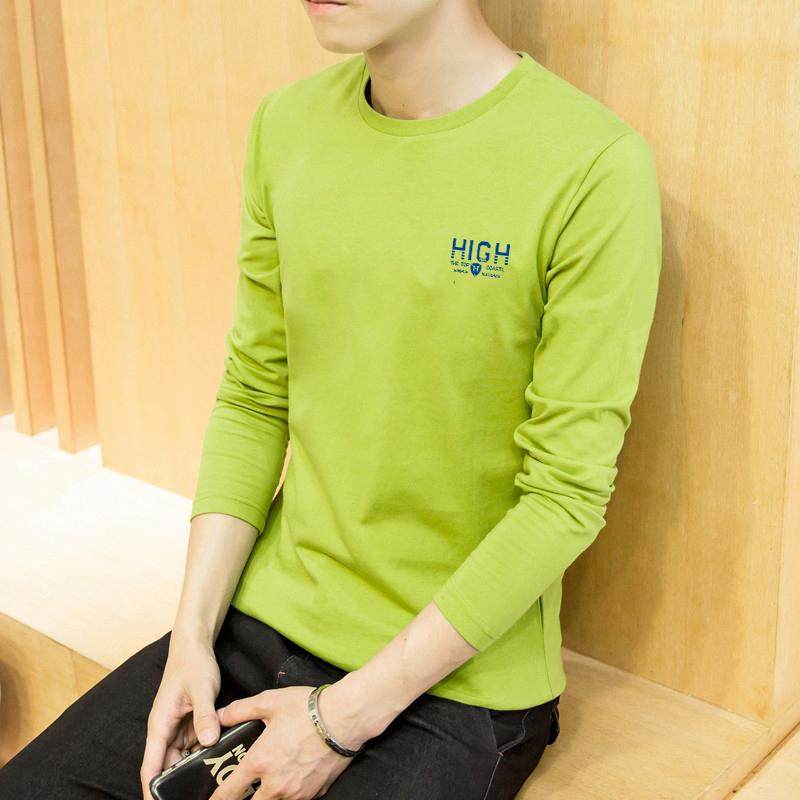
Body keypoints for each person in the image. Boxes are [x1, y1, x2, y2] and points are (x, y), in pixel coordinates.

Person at [0, 1, 662, 798]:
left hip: (456, 684)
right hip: (260, 623)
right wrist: (190, 637)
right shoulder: (286, 125)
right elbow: (254, 396)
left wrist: (339, 720)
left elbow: (564, 497)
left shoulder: (594, 165)